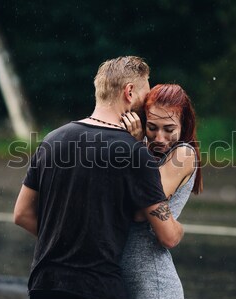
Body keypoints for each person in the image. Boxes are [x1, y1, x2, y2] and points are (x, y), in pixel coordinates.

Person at [13, 56, 184, 299]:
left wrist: (64, 243)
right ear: (129, 92)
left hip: (45, 283)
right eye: (146, 95)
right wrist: (179, 229)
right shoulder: (136, 153)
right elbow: (168, 236)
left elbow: (21, 214)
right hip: (98, 287)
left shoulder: (52, 140)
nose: (148, 105)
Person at [120, 84, 203, 299]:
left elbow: (142, 210)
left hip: (154, 283)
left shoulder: (182, 154)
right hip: (122, 279)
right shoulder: (145, 150)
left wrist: (137, 146)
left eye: (169, 129)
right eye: (152, 127)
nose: (159, 137)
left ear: (183, 125)